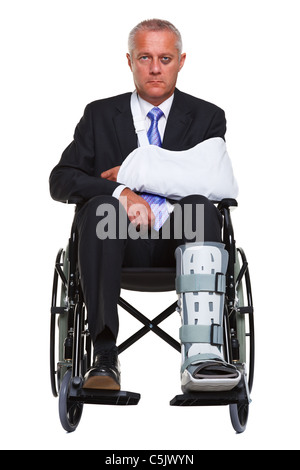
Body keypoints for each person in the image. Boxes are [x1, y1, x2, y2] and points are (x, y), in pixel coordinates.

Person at [50, 19, 238, 392]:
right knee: (101, 207)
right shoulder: (100, 115)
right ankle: (104, 355)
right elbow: (62, 179)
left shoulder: (206, 117)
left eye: (165, 58)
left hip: (181, 242)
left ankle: (203, 352)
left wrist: (144, 170)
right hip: (116, 245)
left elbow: (216, 182)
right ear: (130, 60)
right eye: (145, 57)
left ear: (181, 61)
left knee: (202, 205)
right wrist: (123, 192)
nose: (155, 68)